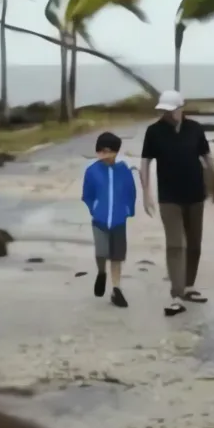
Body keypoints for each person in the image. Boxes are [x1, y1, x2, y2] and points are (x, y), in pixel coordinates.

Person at [139, 89, 214, 316]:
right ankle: (176, 295)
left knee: (194, 245)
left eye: (169, 109)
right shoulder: (154, 132)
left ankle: (189, 287)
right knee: (175, 245)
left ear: (180, 108)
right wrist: (146, 193)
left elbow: (209, 160)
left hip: (195, 195)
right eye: (163, 110)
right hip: (169, 198)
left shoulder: (195, 130)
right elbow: (145, 163)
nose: (165, 113)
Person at [80, 131, 136, 309]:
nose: (103, 154)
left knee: (117, 256)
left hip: (119, 220)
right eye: (100, 151)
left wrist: (128, 210)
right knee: (101, 252)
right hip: (100, 220)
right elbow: (87, 195)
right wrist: (94, 208)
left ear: (115, 151)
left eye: (107, 151)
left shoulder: (124, 171)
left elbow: (131, 192)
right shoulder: (92, 171)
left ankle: (116, 289)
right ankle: (101, 272)